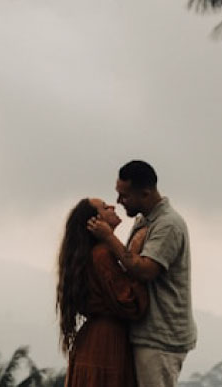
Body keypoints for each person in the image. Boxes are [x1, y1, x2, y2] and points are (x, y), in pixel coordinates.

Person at [88, 160, 197, 387]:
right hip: (148, 333)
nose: (118, 202)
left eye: (124, 196)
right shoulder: (145, 221)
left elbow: (145, 270)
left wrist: (109, 238)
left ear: (145, 193)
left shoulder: (168, 225)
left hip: (160, 337)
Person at [57, 197, 149, 386]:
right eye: (105, 207)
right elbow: (130, 304)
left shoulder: (93, 254)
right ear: (95, 221)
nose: (112, 206)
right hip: (106, 344)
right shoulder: (102, 255)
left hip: (93, 341)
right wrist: (137, 261)